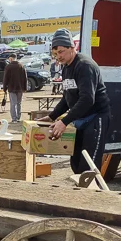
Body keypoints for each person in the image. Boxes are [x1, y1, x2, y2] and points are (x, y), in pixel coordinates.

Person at [38, 28, 111, 174]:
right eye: (55, 53)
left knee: (88, 167)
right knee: (76, 163)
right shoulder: (66, 68)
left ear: (72, 48)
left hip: (96, 118)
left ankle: (92, 195)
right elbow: (67, 97)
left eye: (61, 52)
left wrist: (64, 121)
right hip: (80, 119)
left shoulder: (84, 66)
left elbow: (87, 99)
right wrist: (52, 116)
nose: (58, 56)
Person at [2, 53, 27, 123]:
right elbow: (25, 78)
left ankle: (14, 118)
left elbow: (5, 78)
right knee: (19, 103)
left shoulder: (8, 67)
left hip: (11, 88)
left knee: (13, 104)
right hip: (20, 88)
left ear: (11, 59)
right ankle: (18, 117)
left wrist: (4, 88)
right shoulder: (21, 66)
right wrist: (25, 88)